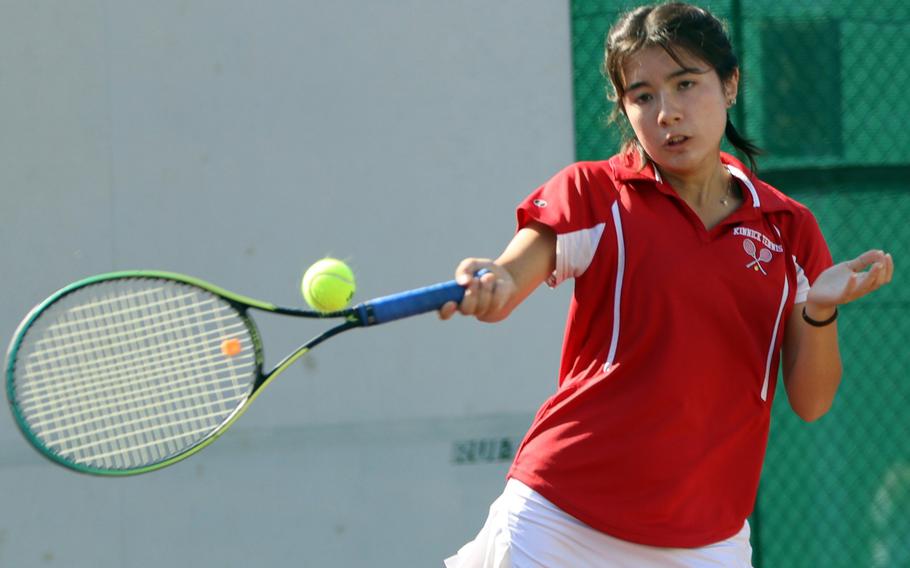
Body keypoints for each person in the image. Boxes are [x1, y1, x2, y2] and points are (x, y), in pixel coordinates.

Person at [441, 2, 894, 567]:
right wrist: (491, 280)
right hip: (560, 523)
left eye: (685, 84)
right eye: (643, 95)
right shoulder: (593, 193)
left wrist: (820, 311)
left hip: (708, 542)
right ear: (624, 108)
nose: (667, 113)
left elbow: (812, 400)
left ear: (730, 85)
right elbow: (508, 279)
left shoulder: (788, 228)